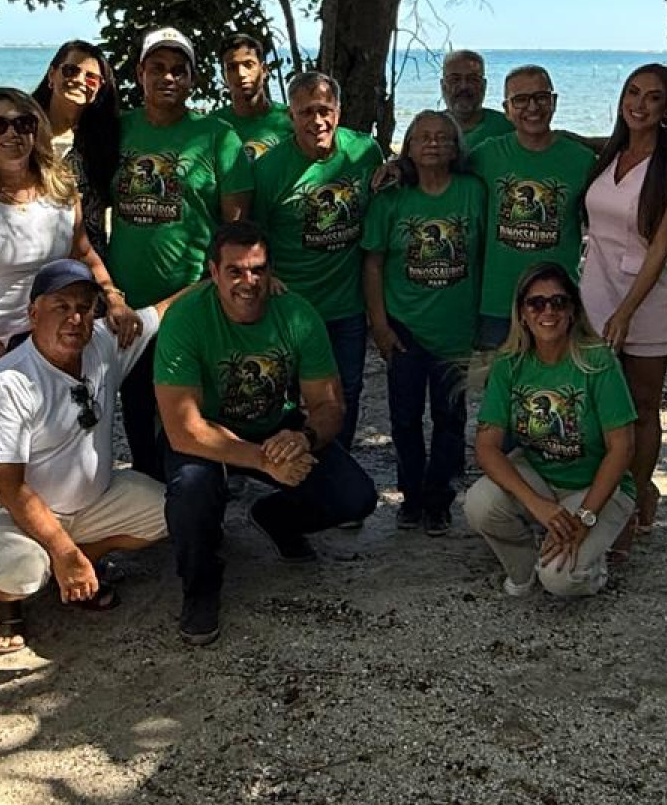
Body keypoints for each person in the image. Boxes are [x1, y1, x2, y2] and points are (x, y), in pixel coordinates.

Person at [0, 87, 136, 617]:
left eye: (23, 123)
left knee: (38, 455)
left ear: (39, 130)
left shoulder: (61, 190)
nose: (11, 134)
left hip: (43, 344)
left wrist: (113, 296)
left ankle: (52, 552)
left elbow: (82, 251)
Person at [155, 222, 377, 646]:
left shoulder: (298, 314)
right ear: (213, 272)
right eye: (235, 271)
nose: (248, 282)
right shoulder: (185, 318)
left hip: (276, 423)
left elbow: (330, 405)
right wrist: (263, 459)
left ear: (272, 271)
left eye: (258, 270)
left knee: (356, 496)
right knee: (190, 489)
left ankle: (275, 519)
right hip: (208, 429)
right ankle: (200, 588)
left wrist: (305, 438)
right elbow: (184, 430)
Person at [0, 260, 178, 655]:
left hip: (90, 501)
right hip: (3, 510)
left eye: (84, 307)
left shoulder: (102, 341)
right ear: (33, 314)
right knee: (25, 568)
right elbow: (8, 488)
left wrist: (220, 280)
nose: (74, 318)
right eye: (60, 307)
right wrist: (63, 550)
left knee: (173, 509)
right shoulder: (9, 384)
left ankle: (75, 565)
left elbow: (163, 311)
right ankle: (4, 600)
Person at [108, 27, 248, 467]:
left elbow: (237, 230)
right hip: (127, 307)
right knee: (136, 408)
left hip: (192, 301)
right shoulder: (116, 130)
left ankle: (197, 493)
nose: (167, 77)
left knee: (193, 413)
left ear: (192, 79)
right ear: (139, 74)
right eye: (157, 68)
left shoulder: (219, 136)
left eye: (178, 70)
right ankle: (149, 490)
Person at [464, 264, 638, 597]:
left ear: (573, 311)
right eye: (536, 303)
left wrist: (586, 517)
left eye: (559, 302)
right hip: (539, 477)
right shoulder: (509, 363)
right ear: (522, 313)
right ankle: (524, 565)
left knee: (560, 580)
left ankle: (593, 567)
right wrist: (537, 505)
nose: (548, 311)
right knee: (479, 503)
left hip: (595, 486)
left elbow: (622, 448)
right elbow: (486, 447)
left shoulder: (598, 360)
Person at [577, 63, 667, 555]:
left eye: (653, 97)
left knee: (642, 408)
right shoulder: (609, 155)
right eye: (632, 92)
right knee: (600, 406)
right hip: (594, 292)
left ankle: (634, 500)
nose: (639, 104)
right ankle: (607, 495)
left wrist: (625, 311)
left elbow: (661, 248)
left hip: (645, 300)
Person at [243, 71, 385, 448]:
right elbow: (253, 235)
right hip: (291, 303)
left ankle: (338, 462)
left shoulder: (365, 151)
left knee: (346, 390)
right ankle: (287, 461)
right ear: (291, 116)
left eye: (324, 110)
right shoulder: (270, 169)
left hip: (347, 303)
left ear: (338, 111)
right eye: (306, 112)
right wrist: (267, 275)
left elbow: (384, 205)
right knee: (285, 394)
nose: (317, 121)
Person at [362, 110, 487, 533]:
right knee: (405, 418)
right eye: (423, 137)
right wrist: (379, 326)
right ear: (409, 148)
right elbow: (373, 264)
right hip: (404, 328)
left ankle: (438, 500)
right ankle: (411, 498)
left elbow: (487, 256)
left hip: (456, 327)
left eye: (442, 137)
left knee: (450, 420)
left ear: (455, 148)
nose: (433, 144)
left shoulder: (473, 192)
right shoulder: (392, 197)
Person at [467, 65, 598, 352]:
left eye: (541, 97)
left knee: (556, 379)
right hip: (499, 303)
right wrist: (399, 167)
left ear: (554, 101)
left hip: (557, 303)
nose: (532, 107)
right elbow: (437, 171)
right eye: (521, 100)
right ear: (506, 109)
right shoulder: (487, 154)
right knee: (497, 380)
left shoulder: (582, 160)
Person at [33, 39, 122, 260]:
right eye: (71, 70)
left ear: (99, 88)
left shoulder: (104, 140)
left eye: (91, 77)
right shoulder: (23, 132)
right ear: (52, 75)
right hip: (29, 258)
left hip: (87, 264)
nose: (80, 80)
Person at [213, 33, 294, 163]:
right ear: (224, 76)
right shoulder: (213, 126)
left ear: (264, 70)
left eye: (248, 65)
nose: (241, 74)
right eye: (232, 68)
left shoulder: (291, 120)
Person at [441, 49, 513, 151]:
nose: (464, 86)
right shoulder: (428, 129)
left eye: (472, 79)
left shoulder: (509, 127)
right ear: (443, 85)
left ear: (484, 85)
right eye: (455, 79)